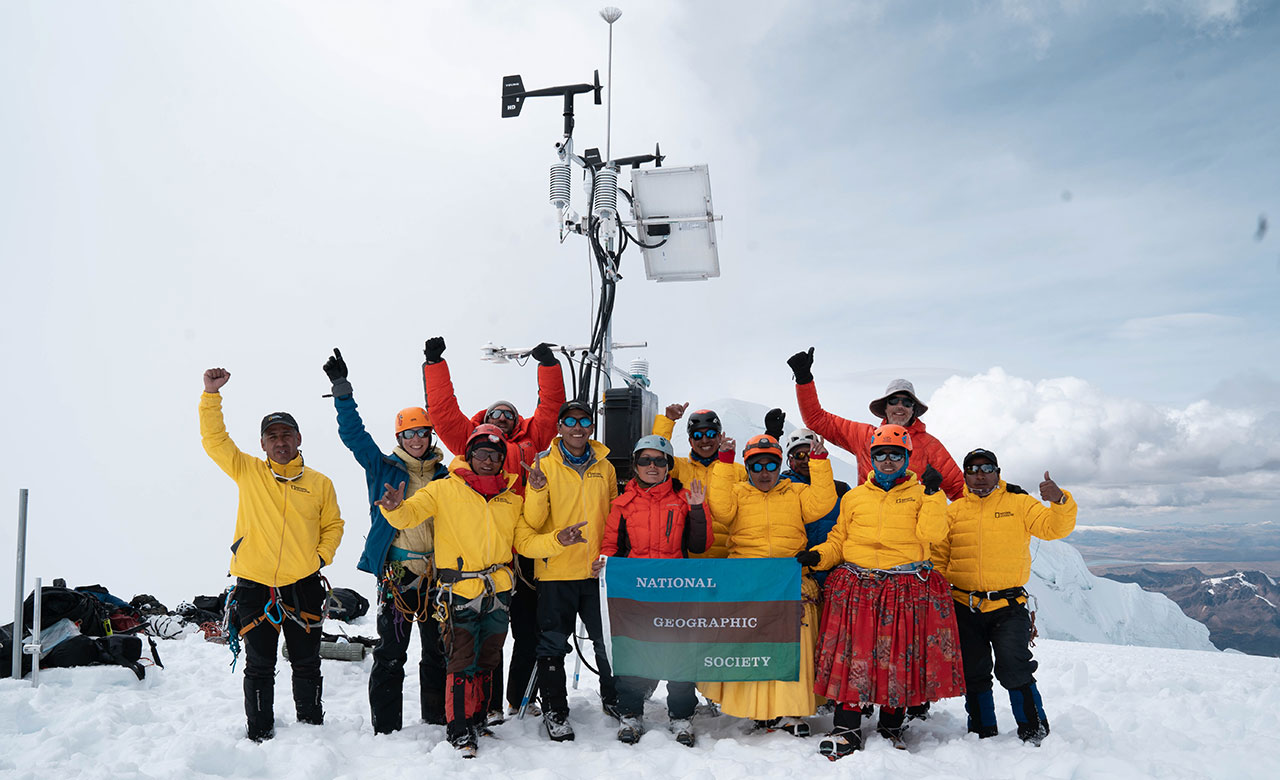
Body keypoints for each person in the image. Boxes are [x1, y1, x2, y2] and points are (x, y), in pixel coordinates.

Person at [376, 424, 579, 756]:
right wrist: (395, 507)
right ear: (469, 456)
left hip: (497, 591)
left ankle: (478, 720)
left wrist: (558, 540)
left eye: (495, 455)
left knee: (487, 659)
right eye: (482, 453)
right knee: (461, 661)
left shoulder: (509, 500)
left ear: (502, 460)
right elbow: (409, 516)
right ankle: (458, 729)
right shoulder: (444, 490)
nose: (488, 460)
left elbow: (525, 542)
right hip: (460, 589)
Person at [421, 335, 565, 718]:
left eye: (508, 414)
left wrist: (548, 367)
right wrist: (435, 364)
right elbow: (443, 411)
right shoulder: (468, 439)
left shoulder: (534, 437)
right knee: (488, 632)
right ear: (482, 422)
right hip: (485, 554)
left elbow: (551, 408)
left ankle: (520, 698)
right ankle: (486, 707)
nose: (501, 419)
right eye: (495, 414)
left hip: (525, 548)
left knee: (524, 630)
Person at [800, 424, 963, 760]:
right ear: (871, 458)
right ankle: (847, 727)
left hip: (903, 588)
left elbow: (932, 533)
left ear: (907, 458)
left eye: (895, 454)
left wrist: (934, 496)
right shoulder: (855, 497)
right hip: (857, 585)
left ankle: (891, 726)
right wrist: (820, 555)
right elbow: (839, 540)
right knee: (853, 656)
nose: (887, 460)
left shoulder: (923, 494)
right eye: (880, 454)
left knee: (897, 657)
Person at [199, 367, 345, 742]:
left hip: (303, 584)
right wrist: (211, 396)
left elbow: (334, 526)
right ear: (262, 444)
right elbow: (215, 441)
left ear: (298, 438)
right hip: (254, 583)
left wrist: (319, 559)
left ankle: (311, 728)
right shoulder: (248, 471)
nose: (280, 442)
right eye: (272, 436)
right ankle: (260, 733)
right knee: (259, 665)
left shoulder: (319, 483)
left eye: (286, 435)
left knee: (307, 663)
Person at [322, 348, 450, 734]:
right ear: (400, 437)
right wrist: (342, 391)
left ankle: (435, 719)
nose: (416, 439)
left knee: (437, 653)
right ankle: (387, 728)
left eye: (422, 432)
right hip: (397, 575)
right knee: (392, 654)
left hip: (435, 576)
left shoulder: (445, 475)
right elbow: (354, 437)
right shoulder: (383, 467)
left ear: (430, 434)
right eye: (408, 433)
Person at [931, 449, 1076, 745]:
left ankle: (1034, 730)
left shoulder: (1020, 503)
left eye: (986, 468)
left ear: (998, 471)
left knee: (1014, 666)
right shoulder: (953, 511)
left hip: (1009, 606)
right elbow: (938, 557)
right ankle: (982, 732)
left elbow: (1054, 528)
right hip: (964, 604)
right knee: (974, 671)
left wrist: (1059, 501)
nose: (980, 474)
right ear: (965, 476)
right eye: (972, 469)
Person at [699, 433, 837, 736]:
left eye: (771, 465)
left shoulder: (797, 492)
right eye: (757, 466)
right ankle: (756, 711)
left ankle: (791, 712)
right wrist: (723, 462)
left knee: (792, 650)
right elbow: (720, 511)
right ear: (747, 467)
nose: (764, 473)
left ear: (779, 466)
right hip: (748, 584)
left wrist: (821, 462)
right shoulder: (735, 493)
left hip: (790, 582)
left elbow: (823, 504)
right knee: (754, 648)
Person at [592, 435, 712, 746]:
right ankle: (630, 714)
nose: (652, 466)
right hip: (637, 592)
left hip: (676, 591)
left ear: (669, 465)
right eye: (645, 460)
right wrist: (603, 564)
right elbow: (610, 546)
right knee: (635, 652)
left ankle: (682, 715)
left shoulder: (685, 498)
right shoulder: (622, 504)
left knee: (679, 653)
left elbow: (700, 545)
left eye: (659, 460)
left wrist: (698, 511)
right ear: (635, 465)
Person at [513, 400, 619, 742]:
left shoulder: (605, 465)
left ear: (591, 426)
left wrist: (609, 555)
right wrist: (538, 488)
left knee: (606, 642)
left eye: (584, 421)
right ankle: (556, 710)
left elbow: (615, 516)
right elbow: (531, 522)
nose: (577, 427)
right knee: (552, 646)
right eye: (570, 421)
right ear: (559, 427)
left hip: (595, 572)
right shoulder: (543, 463)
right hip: (557, 571)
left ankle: (614, 700)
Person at [786, 348, 965, 501]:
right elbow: (817, 419)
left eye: (907, 403)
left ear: (914, 410)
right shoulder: (864, 436)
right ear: (885, 407)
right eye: (894, 400)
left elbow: (960, 491)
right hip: (867, 525)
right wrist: (804, 380)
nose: (900, 406)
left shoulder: (930, 446)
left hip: (909, 532)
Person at [651, 403, 747, 558]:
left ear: (720, 436)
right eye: (697, 435)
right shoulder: (678, 468)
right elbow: (655, 456)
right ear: (690, 441)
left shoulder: (738, 471)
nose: (704, 440)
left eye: (710, 434)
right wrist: (667, 421)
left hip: (728, 557)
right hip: (689, 558)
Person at [776, 426, 852, 585]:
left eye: (810, 454)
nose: (805, 460)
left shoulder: (841, 490)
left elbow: (850, 531)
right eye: (799, 455)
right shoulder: (780, 488)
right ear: (790, 459)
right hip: (794, 572)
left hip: (832, 573)